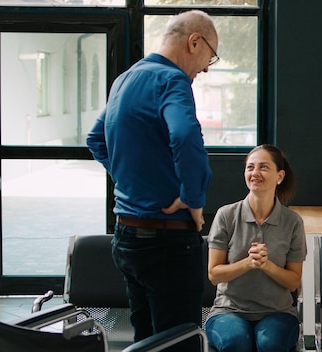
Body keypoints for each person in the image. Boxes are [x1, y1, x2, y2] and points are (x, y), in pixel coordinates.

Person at [86, 10, 217, 351]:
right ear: (194, 41)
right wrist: (192, 197)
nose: (205, 68)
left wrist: (131, 181)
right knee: (180, 341)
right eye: (210, 57)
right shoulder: (172, 81)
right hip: (167, 242)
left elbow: (95, 138)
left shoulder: (126, 79)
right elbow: (186, 136)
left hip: (126, 238)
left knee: (145, 342)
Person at [205, 144, 306, 352]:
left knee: (270, 344)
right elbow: (214, 274)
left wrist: (266, 265)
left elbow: (294, 281)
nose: (255, 173)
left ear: (280, 176)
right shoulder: (226, 215)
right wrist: (248, 263)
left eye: (263, 167)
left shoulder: (293, 221)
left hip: (278, 312)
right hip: (228, 311)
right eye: (250, 167)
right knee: (236, 343)